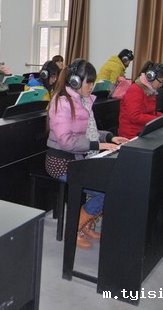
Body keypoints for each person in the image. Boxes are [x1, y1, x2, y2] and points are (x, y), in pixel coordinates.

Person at [45, 59, 128, 249]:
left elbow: (89, 132)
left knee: (111, 184)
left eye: (93, 82)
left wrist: (110, 137)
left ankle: (87, 224)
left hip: (77, 159)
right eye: (88, 83)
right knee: (104, 191)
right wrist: (99, 144)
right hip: (61, 162)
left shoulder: (82, 100)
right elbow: (66, 141)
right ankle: (74, 228)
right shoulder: (61, 103)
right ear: (74, 82)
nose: (92, 86)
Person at [118, 62, 163, 139]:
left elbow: (150, 112)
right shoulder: (135, 90)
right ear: (151, 77)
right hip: (131, 134)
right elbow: (134, 116)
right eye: (161, 81)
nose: (161, 85)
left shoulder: (150, 90)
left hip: (143, 130)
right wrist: (157, 120)